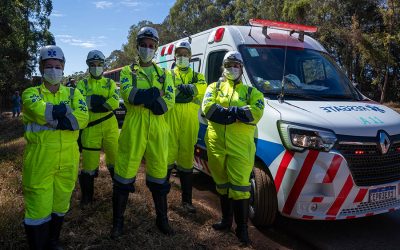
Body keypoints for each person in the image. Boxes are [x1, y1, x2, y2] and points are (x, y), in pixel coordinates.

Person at [21, 45, 88, 249]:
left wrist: (54, 116)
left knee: (60, 204)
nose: (53, 70)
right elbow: (40, 111)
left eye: (57, 66)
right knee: (38, 208)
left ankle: (53, 241)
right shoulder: (30, 93)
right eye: (49, 66)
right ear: (41, 68)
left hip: (68, 158)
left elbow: (83, 118)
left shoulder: (74, 93)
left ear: (63, 68)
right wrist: (65, 114)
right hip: (40, 160)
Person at [111, 26, 175, 238]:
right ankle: (117, 223)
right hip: (134, 127)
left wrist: (155, 100)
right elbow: (129, 94)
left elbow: (170, 99)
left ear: (156, 48)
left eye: (151, 45)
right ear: (137, 47)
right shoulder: (129, 72)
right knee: (123, 175)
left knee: (159, 176)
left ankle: (162, 220)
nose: (147, 48)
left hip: (158, 128)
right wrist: (154, 94)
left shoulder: (164, 73)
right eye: (143, 45)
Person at [202, 51, 265, 245]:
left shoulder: (251, 92)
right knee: (221, 183)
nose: (232, 68)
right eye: (229, 65)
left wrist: (230, 112)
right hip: (215, 145)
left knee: (240, 188)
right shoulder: (214, 87)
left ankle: (242, 230)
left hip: (241, 148)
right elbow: (208, 109)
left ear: (242, 69)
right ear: (223, 67)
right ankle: (226, 221)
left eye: (236, 65)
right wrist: (236, 113)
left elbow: (257, 111)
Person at [165, 41, 207, 213]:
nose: (182, 57)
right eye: (179, 54)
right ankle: (162, 199)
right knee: (166, 160)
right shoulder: (169, 74)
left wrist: (191, 88)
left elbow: (203, 88)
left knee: (186, 164)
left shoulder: (197, 76)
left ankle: (187, 202)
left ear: (190, 56)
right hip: (171, 124)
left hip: (189, 126)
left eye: (185, 54)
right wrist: (186, 93)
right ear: (175, 56)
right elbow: (168, 90)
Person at [76, 50, 120, 208]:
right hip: (90, 129)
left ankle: (119, 193)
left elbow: (115, 101)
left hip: (110, 127)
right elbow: (79, 102)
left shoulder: (110, 83)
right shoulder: (83, 83)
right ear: (88, 66)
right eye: (93, 65)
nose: (96, 67)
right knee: (88, 164)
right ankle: (87, 197)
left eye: (99, 65)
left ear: (103, 65)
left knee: (115, 159)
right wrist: (97, 101)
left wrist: (97, 104)